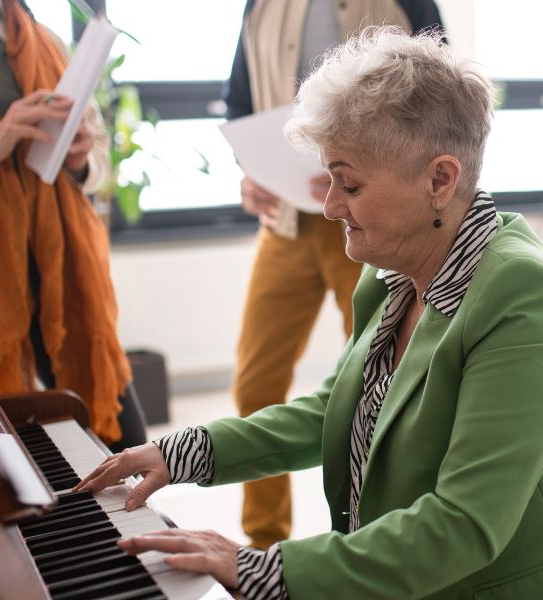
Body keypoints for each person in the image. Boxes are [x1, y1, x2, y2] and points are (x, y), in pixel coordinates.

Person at [76, 27, 543, 600]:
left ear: (440, 178)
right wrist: (180, 453)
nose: (329, 206)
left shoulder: (528, 300)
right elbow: (336, 411)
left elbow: (465, 525)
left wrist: (264, 569)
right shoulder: (393, 273)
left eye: (348, 184)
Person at [222, 0, 445, 549]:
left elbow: (443, 103)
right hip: (287, 222)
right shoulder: (261, 6)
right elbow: (240, 103)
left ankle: (376, 534)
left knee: (385, 379)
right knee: (256, 381)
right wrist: (250, 175)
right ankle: (262, 545)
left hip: (379, 220)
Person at [0, 0, 146, 450]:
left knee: (119, 427)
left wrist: (79, 157)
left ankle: (127, 513)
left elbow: (92, 146)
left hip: (57, 260)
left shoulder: (39, 36)